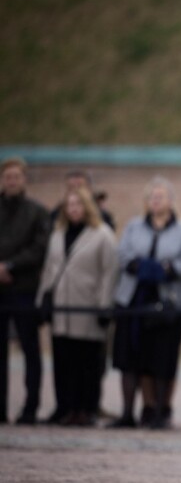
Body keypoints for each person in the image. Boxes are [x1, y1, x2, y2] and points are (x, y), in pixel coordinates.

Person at [111, 177, 181, 429]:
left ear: (171, 201)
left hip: (166, 303)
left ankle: (160, 411)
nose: (155, 201)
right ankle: (128, 412)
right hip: (134, 298)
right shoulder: (134, 227)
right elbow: (123, 255)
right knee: (128, 357)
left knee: (161, 358)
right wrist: (142, 267)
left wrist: (165, 269)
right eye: (151, 197)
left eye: (160, 196)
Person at [37, 187, 117, 427]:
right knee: (63, 361)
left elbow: (109, 272)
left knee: (88, 363)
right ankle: (65, 407)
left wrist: (105, 305)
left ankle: (86, 409)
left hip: (88, 307)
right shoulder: (58, 234)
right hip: (62, 306)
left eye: (78, 204)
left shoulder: (102, 234)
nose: (73, 209)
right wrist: (43, 299)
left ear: (87, 207)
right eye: (69, 205)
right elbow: (50, 269)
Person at [0, 157, 49, 425]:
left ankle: (30, 407)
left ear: (24, 180)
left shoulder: (36, 212)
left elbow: (39, 248)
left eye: (16, 177)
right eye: (8, 177)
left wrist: (10, 266)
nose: (12, 181)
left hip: (24, 289)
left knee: (30, 349)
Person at [50, 170, 115, 230]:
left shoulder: (102, 216)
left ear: (89, 189)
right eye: (71, 187)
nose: (76, 191)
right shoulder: (56, 216)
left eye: (80, 187)